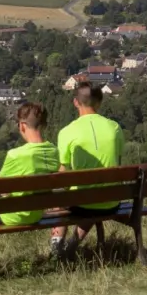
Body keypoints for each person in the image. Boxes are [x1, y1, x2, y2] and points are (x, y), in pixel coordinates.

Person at [0, 101, 59, 263]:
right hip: (37, 213)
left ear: (22, 126)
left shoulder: (16, 155)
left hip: (15, 216)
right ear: (44, 125)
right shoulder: (54, 151)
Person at [51, 81, 124, 258]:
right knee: (92, 197)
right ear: (99, 102)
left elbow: (62, 173)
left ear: (76, 102)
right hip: (111, 202)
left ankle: (56, 247)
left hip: (82, 203)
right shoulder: (114, 128)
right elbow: (118, 162)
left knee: (63, 197)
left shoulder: (67, 132)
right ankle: (71, 248)